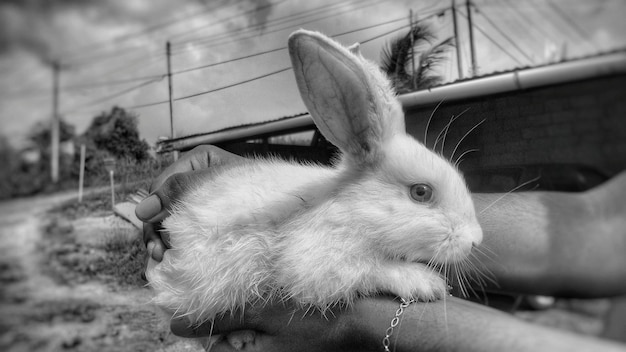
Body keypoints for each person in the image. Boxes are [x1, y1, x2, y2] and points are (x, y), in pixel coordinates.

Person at [136, 145, 626, 352]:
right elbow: (603, 224)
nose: (472, 236)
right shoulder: (345, 210)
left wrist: (368, 324)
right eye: (420, 194)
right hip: (215, 272)